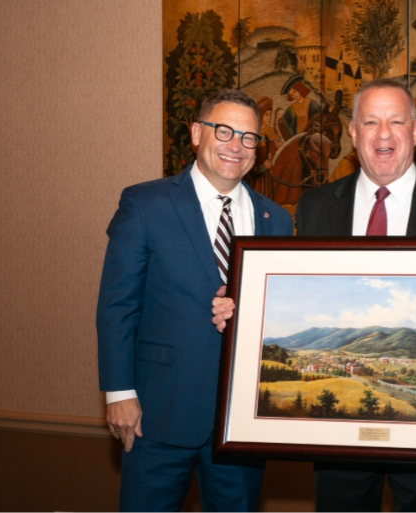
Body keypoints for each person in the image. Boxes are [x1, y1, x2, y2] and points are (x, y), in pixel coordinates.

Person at [213, 78, 416, 512]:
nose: (384, 134)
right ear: (353, 133)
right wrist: (244, 306)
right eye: (371, 122)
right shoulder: (315, 207)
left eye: (397, 121)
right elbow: (295, 291)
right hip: (337, 442)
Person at [97, 89, 293, 511]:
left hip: (240, 424)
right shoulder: (145, 203)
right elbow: (117, 306)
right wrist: (118, 394)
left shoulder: (275, 218)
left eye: (249, 137)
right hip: (157, 413)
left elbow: (277, 309)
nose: (236, 146)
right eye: (224, 131)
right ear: (196, 133)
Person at [278, 75, 321, 141]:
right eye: (291, 94)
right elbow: (286, 124)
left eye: (294, 92)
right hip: (297, 140)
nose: (294, 96)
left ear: (299, 89)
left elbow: (319, 117)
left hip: (310, 138)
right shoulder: (291, 108)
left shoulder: (311, 103)